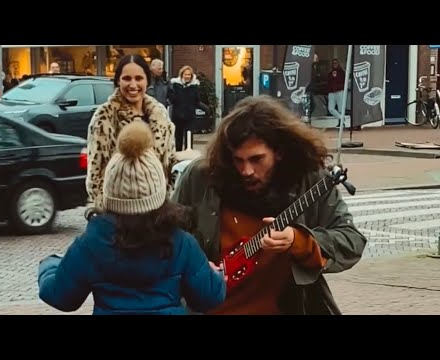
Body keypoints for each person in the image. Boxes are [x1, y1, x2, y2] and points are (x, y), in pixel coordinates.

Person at [171, 95, 367, 315]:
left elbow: (351, 241)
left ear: (279, 152)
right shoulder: (201, 177)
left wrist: (299, 241)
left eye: (257, 159)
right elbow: (165, 238)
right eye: (238, 160)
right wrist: (193, 265)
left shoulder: (309, 180)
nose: (246, 171)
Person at [38, 121, 227, 315]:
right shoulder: (180, 242)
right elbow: (210, 297)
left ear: (110, 195)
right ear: (159, 194)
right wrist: (216, 275)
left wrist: (49, 265)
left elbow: (60, 296)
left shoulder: (91, 243)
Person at [86, 54, 176, 211]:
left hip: (157, 212)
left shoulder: (160, 114)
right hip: (120, 215)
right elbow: (96, 173)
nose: (133, 84)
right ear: (118, 81)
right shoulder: (105, 116)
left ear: (147, 81)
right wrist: (108, 212)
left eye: (139, 78)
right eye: (127, 78)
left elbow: (168, 163)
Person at [168, 65, 209, 151]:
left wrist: (206, 109)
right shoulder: (175, 85)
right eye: (185, 74)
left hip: (190, 116)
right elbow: (172, 100)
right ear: (182, 75)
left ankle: (188, 154)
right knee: (178, 138)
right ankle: (178, 155)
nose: (187, 76)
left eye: (189, 75)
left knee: (189, 137)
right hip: (177, 116)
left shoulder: (194, 87)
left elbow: (196, 101)